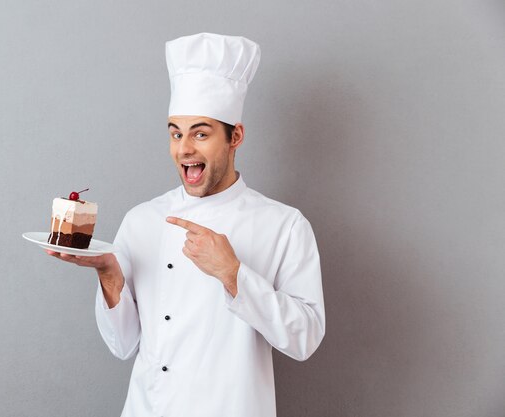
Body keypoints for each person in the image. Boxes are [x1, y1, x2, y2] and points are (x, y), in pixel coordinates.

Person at [46, 32, 325, 417]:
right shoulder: (142, 219)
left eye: (201, 133)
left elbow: (304, 339)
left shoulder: (284, 225)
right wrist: (110, 275)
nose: (184, 149)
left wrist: (233, 274)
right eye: (176, 133)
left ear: (235, 137)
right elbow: (123, 345)